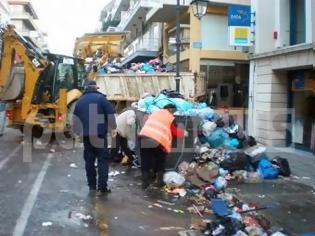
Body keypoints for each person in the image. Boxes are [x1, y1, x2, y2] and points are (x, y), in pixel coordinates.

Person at [73, 80, 117, 194]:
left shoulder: (80, 101)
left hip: (86, 136)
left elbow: (75, 119)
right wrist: (113, 128)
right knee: (102, 160)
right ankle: (102, 187)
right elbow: (110, 114)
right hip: (99, 135)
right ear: (96, 88)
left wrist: (77, 132)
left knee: (89, 161)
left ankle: (92, 186)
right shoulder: (101, 99)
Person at [139, 104, 185, 189]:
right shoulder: (170, 117)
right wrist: (184, 133)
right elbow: (174, 131)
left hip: (144, 136)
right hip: (158, 139)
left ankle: (145, 182)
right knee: (160, 160)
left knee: (146, 159)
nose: (174, 113)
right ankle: (159, 181)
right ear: (170, 109)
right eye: (174, 111)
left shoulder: (155, 113)